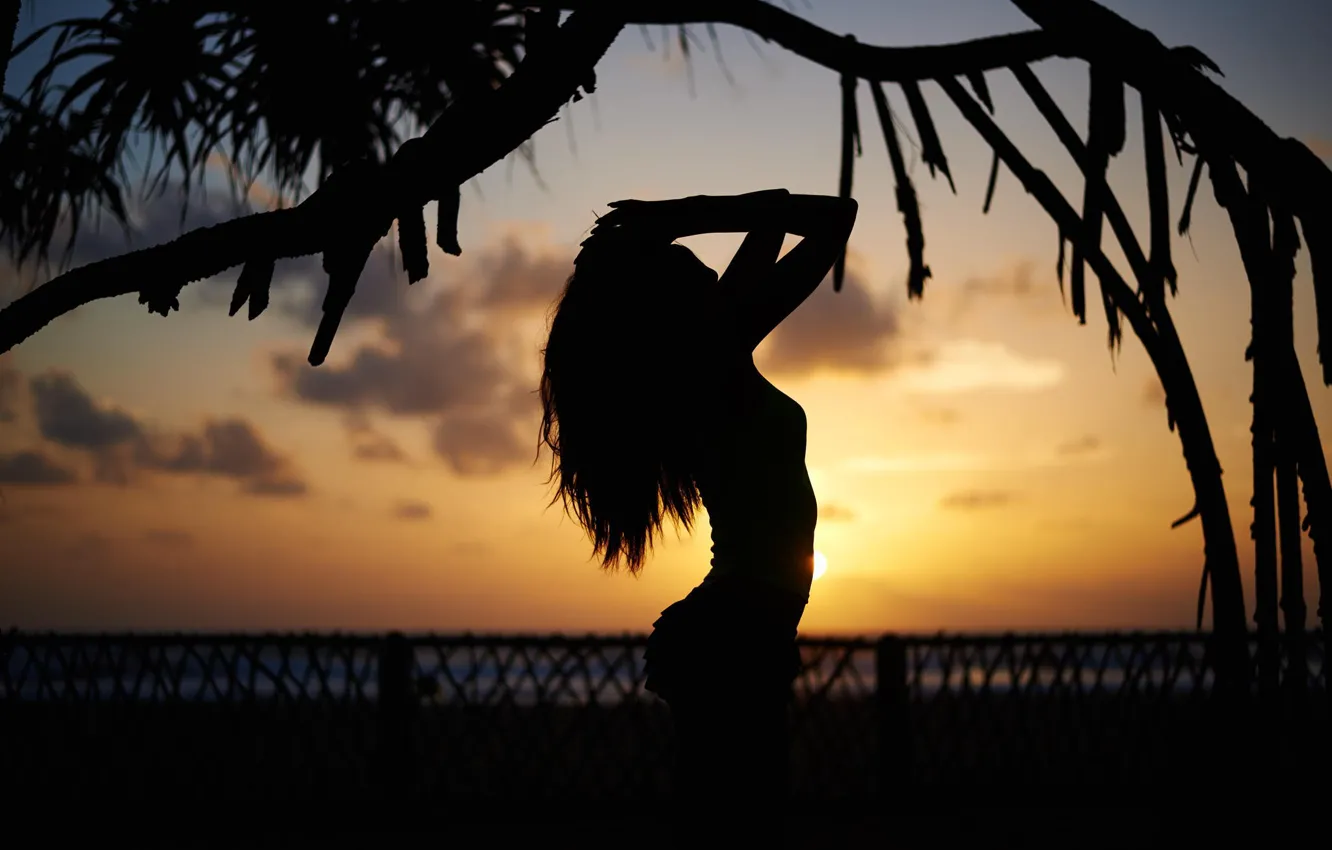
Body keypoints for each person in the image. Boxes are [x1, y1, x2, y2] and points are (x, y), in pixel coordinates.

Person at [537, 189, 858, 830]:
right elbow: (831, 221)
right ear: (669, 307)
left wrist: (683, 219)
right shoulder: (706, 353)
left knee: (732, 811)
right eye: (692, 267)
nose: (712, 269)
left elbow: (829, 218)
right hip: (735, 627)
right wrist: (683, 217)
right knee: (738, 813)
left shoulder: (716, 348)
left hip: (744, 623)